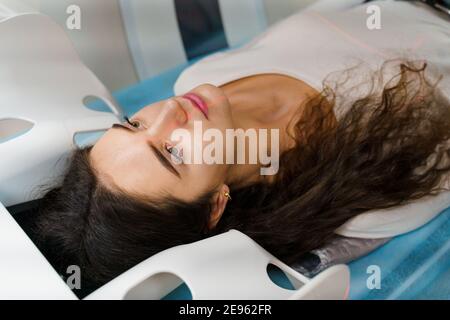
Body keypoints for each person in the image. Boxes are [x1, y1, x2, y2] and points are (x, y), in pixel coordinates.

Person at [35, 0, 450, 288]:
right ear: (216, 204)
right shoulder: (368, 183)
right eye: (173, 153)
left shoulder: (200, 77)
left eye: (134, 122)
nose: (169, 113)